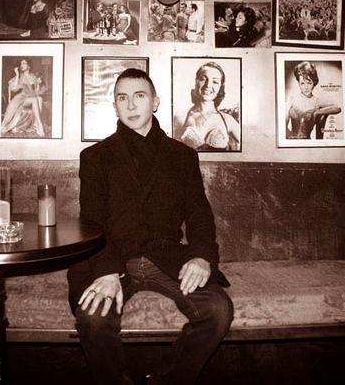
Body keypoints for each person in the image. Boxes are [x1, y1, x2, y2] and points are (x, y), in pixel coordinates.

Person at [68, 68, 233, 385]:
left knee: (218, 310)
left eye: (139, 96)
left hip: (166, 258)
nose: (130, 105)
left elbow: (199, 214)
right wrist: (105, 271)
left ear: (155, 102)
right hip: (113, 259)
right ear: (115, 106)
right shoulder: (94, 157)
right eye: (122, 98)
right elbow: (91, 221)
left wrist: (201, 256)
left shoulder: (182, 156)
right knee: (92, 318)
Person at [179, 62, 240, 151]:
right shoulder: (181, 116)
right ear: (196, 82)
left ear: (220, 87)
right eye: (203, 79)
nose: (208, 85)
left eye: (215, 82)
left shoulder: (227, 120)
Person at [286, 61, 341, 139]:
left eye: (309, 83)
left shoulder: (317, 101)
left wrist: (317, 112)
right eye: (302, 83)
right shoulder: (291, 99)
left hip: (308, 143)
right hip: (291, 142)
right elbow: (282, 126)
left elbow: (338, 108)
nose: (306, 87)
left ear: (314, 83)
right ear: (298, 83)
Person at [0, 59, 45, 137]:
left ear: (29, 66)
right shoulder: (20, 76)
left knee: (39, 99)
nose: (22, 65)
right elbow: (14, 89)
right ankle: (39, 125)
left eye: (24, 63)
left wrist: (38, 84)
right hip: (20, 99)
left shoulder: (33, 76)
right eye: (21, 64)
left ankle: (36, 125)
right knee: (35, 99)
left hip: (30, 98)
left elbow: (36, 93)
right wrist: (17, 75)